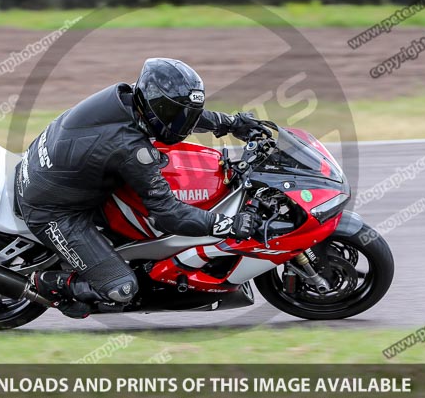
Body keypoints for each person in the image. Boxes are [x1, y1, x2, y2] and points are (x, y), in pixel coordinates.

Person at [14, 57, 268, 318]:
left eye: (184, 114)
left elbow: (178, 114)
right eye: (174, 113)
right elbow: (170, 215)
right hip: (51, 209)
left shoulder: (125, 97)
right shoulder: (130, 149)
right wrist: (228, 225)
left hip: (52, 169)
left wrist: (229, 123)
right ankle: (46, 282)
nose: (182, 122)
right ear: (156, 104)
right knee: (121, 289)